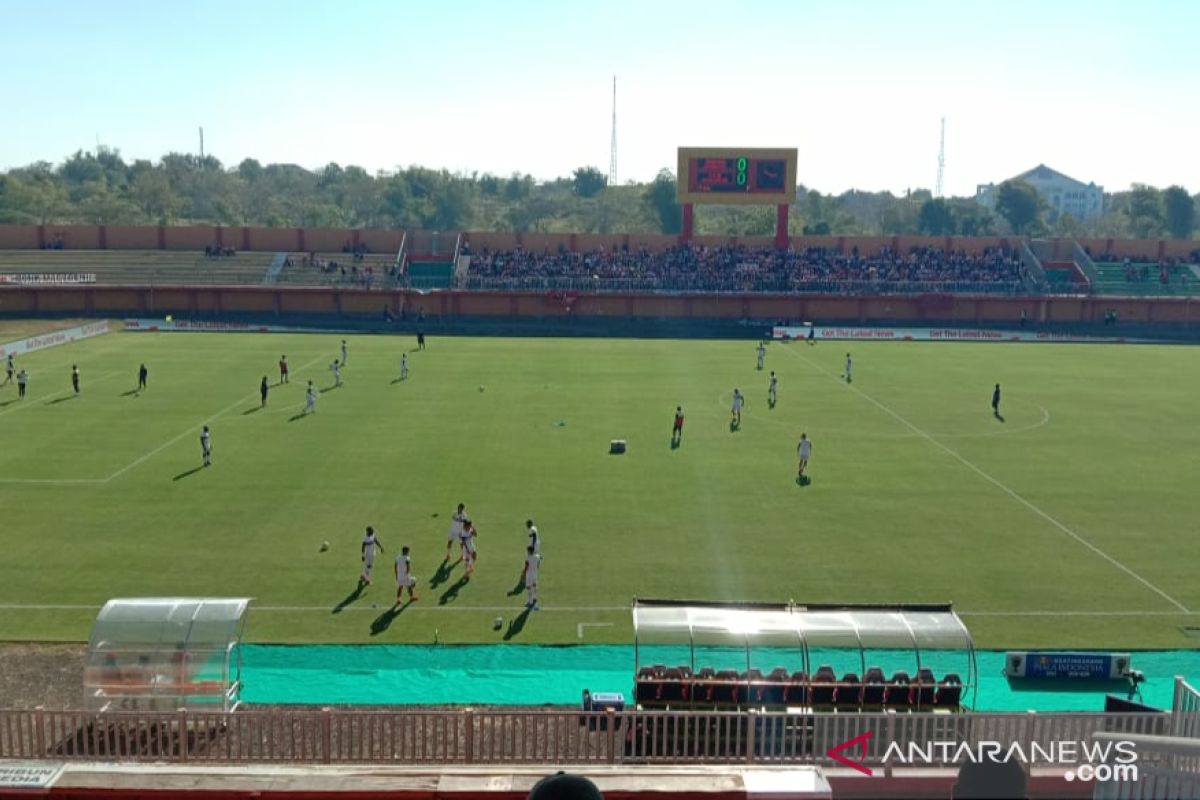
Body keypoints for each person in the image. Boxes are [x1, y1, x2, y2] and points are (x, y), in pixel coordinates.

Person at [524, 545, 543, 610]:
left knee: (529, 588)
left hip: (529, 575)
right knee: (534, 588)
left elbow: (526, 567)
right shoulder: (537, 556)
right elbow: (541, 558)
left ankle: (530, 602)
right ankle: (534, 602)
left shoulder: (528, 558)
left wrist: (523, 574)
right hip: (535, 574)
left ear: (529, 551)